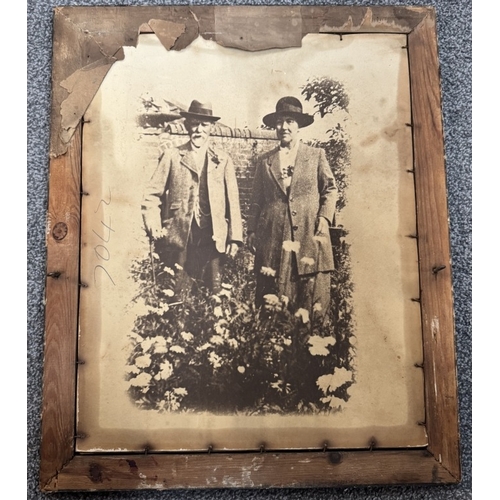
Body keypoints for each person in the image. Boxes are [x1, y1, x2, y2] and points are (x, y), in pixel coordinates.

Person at [247, 96, 337, 317]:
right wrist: (250, 230)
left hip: (308, 237)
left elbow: (330, 189)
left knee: (310, 306)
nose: (284, 127)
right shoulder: (264, 161)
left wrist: (324, 219)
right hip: (273, 241)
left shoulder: (315, 156)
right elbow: (256, 200)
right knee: (272, 306)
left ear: (299, 126)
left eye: (290, 121)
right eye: (279, 121)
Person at [142, 100, 243, 294]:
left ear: (211, 128)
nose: (198, 130)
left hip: (213, 237)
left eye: (204, 125)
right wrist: (154, 223)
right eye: (194, 124)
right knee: (177, 294)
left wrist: (235, 238)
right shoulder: (173, 156)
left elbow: (233, 203)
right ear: (188, 125)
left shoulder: (222, 160)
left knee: (212, 295)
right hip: (181, 236)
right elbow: (151, 196)